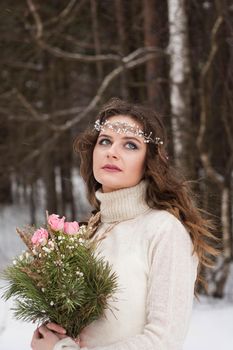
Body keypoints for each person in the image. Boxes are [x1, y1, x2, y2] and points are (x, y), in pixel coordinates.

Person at [31, 98, 218, 350]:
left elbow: (164, 341)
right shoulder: (87, 234)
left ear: (150, 161)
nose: (112, 151)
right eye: (105, 141)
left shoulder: (164, 231)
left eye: (130, 145)